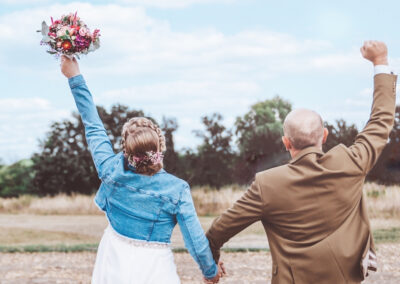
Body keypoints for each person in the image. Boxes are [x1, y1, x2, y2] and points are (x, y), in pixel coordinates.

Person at [206, 40, 397, 283]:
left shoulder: (267, 184)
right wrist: (380, 62)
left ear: (286, 143)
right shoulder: (351, 162)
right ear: (324, 136)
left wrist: (210, 265)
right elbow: (380, 121)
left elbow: (217, 232)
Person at [60, 57, 223, 284]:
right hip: (155, 267)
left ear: (126, 150)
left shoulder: (110, 169)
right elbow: (194, 240)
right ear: (160, 146)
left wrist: (74, 77)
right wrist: (210, 272)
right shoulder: (177, 190)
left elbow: (93, 125)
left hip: (113, 258)